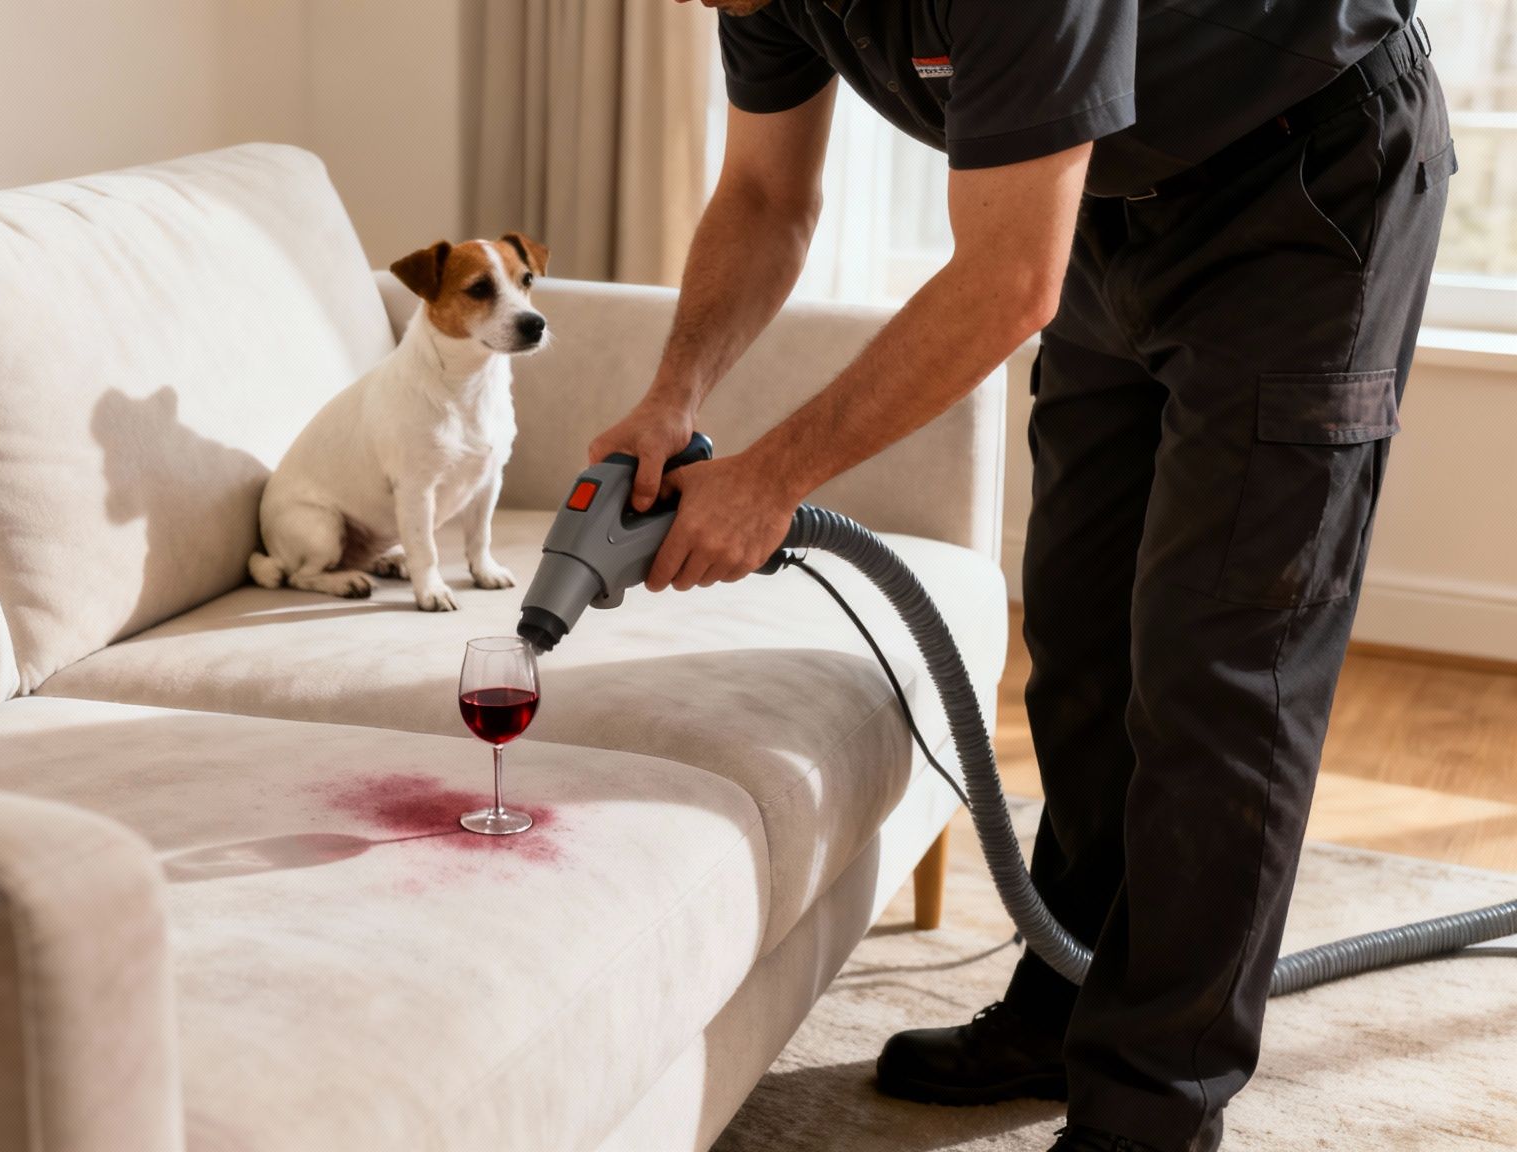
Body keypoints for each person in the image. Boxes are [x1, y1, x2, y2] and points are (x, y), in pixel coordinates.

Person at [590, 2, 1453, 1148]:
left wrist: (772, 479)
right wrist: (672, 397)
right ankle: (1066, 1005)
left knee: (1222, 672)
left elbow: (1005, 282)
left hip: (1298, 187)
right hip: (1103, 199)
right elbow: (761, 195)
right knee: (1080, 647)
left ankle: (1150, 1107)